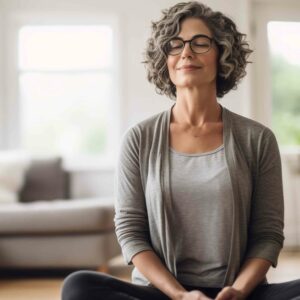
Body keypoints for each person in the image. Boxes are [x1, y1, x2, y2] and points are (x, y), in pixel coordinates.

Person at [61, 2, 300, 299]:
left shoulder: (258, 139)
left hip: (239, 294)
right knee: (79, 286)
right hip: (163, 294)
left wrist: (238, 290)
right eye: (174, 45)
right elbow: (131, 232)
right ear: (165, 60)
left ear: (222, 53)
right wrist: (180, 295)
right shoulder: (139, 139)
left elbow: (267, 235)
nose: (186, 52)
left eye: (200, 43)